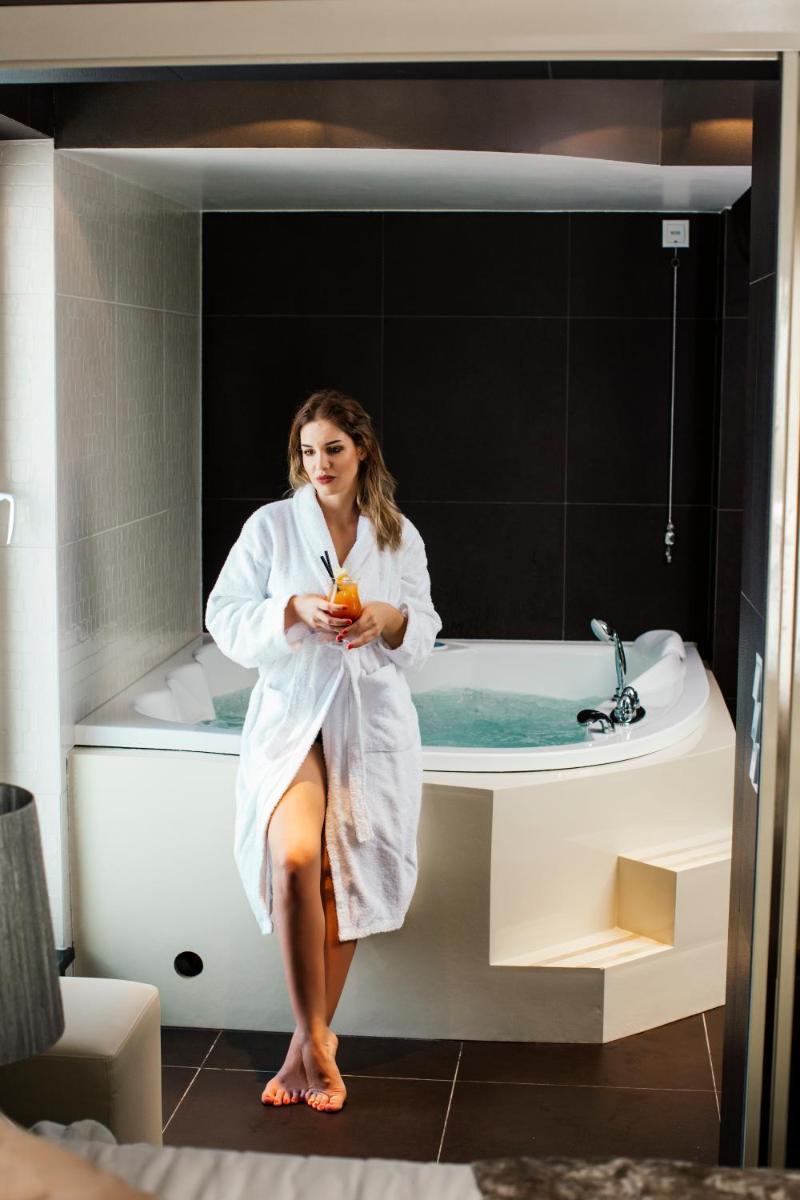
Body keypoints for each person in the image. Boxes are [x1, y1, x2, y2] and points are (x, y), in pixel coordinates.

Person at [204, 388, 442, 1114]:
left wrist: (388, 617)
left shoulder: (396, 535)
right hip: (293, 717)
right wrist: (292, 609)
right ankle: (315, 1038)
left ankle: (306, 1045)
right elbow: (223, 616)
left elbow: (424, 632)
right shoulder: (272, 527)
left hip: (367, 722)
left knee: (341, 877)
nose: (320, 464)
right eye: (308, 452)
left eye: (333, 449)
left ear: (361, 449)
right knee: (296, 859)